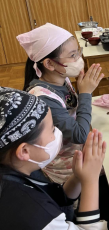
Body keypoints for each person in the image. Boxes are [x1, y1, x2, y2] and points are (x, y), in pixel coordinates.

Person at [0, 87, 107, 229]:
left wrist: (77, 177)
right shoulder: (32, 212)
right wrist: (91, 180)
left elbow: (55, 201)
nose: (58, 133)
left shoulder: (14, 172)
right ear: (25, 151)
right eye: (52, 129)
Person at [17, 23, 104, 185]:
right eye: (72, 55)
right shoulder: (43, 97)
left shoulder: (61, 78)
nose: (78, 59)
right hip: (65, 169)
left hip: (77, 152)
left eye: (78, 52)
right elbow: (79, 135)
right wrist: (85, 93)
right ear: (49, 64)